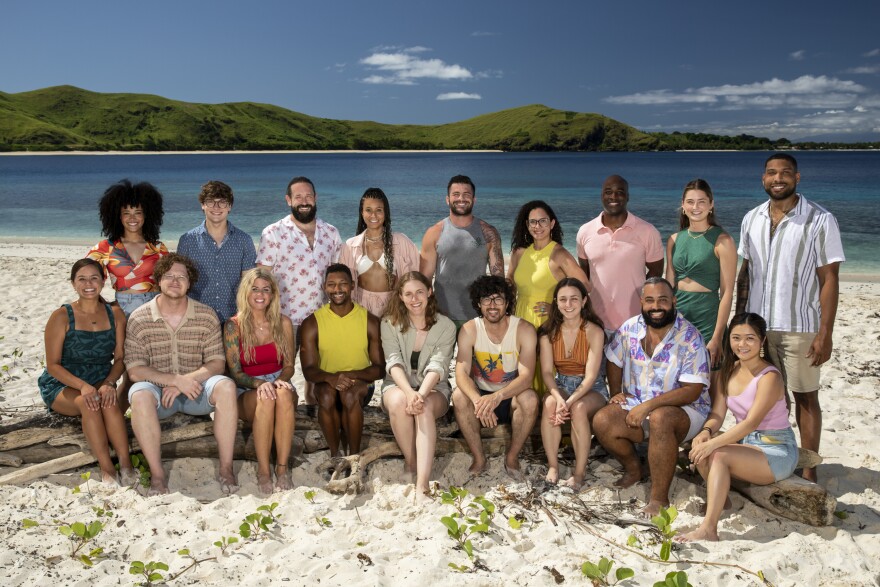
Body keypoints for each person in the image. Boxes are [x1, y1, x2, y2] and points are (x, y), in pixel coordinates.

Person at [736, 153, 844, 482]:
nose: (777, 178)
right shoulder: (751, 218)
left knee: (805, 397)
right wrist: (739, 322)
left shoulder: (820, 219)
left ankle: (809, 470)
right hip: (759, 329)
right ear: (763, 178)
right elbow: (746, 273)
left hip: (801, 326)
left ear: (798, 178)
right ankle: (770, 457)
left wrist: (825, 333)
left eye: (785, 173)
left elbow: (830, 279)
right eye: (771, 173)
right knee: (768, 398)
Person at [592, 277, 711, 516]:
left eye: (662, 300)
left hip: (686, 412)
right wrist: (616, 393)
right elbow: (613, 360)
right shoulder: (630, 328)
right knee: (602, 420)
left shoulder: (690, 337)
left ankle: (659, 498)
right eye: (650, 300)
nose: (656, 307)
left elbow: (692, 390)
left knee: (660, 418)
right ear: (641, 303)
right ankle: (635, 469)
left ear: (674, 302)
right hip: (638, 404)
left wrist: (648, 406)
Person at [677, 313, 798, 542]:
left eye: (750, 338)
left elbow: (751, 422)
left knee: (717, 454)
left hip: (776, 450)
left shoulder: (769, 376)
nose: (742, 345)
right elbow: (717, 414)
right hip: (747, 444)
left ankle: (708, 530)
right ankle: (722, 501)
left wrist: (713, 443)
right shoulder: (729, 370)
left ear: (762, 341)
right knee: (703, 446)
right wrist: (706, 432)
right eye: (736, 338)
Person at [125, 253, 239, 495]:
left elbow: (217, 363)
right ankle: (157, 476)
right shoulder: (140, 317)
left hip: (196, 391)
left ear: (190, 282)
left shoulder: (205, 315)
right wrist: (174, 380)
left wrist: (187, 381)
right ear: (158, 279)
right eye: (168, 276)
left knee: (226, 386)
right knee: (139, 395)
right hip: (158, 393)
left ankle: (226, 468)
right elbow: (135, 370)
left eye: (181, 276)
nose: (175, 281)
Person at [37, 259, 136, 484]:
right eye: (81, 279)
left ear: (103, 281)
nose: (88, 283)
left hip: (101, 379)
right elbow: (53, 365)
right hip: (63, 383)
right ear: (73, 283)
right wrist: (83, 386)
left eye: (94, 278)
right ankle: (107, 469)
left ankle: (126, 464)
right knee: (87, 402)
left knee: (108, 402)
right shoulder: (61, 316)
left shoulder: (116, 313)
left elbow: (120, 359)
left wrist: (109, 383)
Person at [257, 176, 341, 408]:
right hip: (284, 318)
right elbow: (262, 278)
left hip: (321, 318)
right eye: (298, 197)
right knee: (280, 373)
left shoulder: (331, 232)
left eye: (308, 196)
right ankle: (278, 416)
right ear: (288, 200)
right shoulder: (273, 233)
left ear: (315, 198)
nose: (304, 201)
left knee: (316, 373)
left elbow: (337, 278)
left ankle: (313, 417)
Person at [451, 275, 539, 478]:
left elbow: (526, 377)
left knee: (530, 398)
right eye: (486, 299)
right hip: (481, 394)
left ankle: (512, 457)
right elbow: (461, 372)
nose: (492, 305)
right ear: (478, 304)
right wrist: (479, 401)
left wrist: (498, 397)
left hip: (510, 395)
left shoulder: (524, 330)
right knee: (458, 396)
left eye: (498, 299)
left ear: (507, 303)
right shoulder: (469, 330)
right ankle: (479, 458)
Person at [380, 271, 456, 499]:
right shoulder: (389, 323)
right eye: (409, 294)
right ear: (401, 297)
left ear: (429, 293)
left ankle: (422, 483)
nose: (415, 299)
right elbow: (392, 361)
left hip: (434, 387)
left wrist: (420, 395)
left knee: (422, 410)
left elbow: (439, 365)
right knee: (400, 402)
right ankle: (411, 463)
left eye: (420, 292)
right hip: (398, 383)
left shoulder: (446, 326)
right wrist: (409, 392)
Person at [224, 268, 297, 494]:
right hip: (247, 387)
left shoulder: (283, 323)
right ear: (245, 292)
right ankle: (264, 471)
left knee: (283, 394)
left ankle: (282, 469)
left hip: (277, 381)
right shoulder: (233, 326)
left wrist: (279, 381)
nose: (260, 294)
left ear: (273, 294)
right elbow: (235, 372)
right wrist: (260, 384)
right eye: (254, 289)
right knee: (265, 399)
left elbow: (289, 366)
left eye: (266, 290)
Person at [300, 264, 385, 456]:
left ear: (352, 285)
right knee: (328, 396)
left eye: (343, 284)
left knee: (349, 395)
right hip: (326, 383)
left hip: (361, 385)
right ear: (324, 288)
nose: (337, 290)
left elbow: (379, 369)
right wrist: (332, 378)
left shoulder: (370, 321)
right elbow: (309, 370)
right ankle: (335, 454)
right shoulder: (312, 323)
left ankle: (353, 457)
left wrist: (348, 376)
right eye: (331, 285)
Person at [508, 200, 590, 393]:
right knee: (520, 373)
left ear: (552, 223)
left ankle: (549, 414)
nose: (538, 226)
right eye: (533, 222)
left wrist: (557, 307)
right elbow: (510, 280)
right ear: (527, 225)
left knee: (545, 372)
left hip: (546, 321)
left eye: (543, 221)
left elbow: (585, 286)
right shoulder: (519, 253)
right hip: (519, 318)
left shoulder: (559, 254)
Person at [537, 278, 606, 489]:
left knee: (579, 408)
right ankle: (553, 466)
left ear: (584, 301)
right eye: (563, 300)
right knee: (549, 404)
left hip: (591, 388)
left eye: (574, 299)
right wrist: (558, 398)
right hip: (561, 384)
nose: (568, 305)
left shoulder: (594, 331)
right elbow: (547, 373)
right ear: (556, 303)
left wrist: (569, 402)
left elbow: (591, 376)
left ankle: (579, 472)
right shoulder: (548, 332)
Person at [576, 175, 664, 333]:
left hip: (636, 323)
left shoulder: (648, 231)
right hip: (595, 324)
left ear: (628, 196)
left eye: (620, 192)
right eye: (608, 192)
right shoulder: (585, 231)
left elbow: (656, 273)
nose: (613, 197)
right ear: (602, 196)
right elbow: (584, 274)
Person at [665, 179, 736, 368]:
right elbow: (668, 288)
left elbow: (727, 292)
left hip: (708, 318)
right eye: (690, 202)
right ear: (682, 205)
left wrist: (718, 336)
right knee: (679, 382)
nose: (695, 207)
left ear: (711, 205)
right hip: (678, 318)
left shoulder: (723, 240)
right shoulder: (673, 240)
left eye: (701, 201)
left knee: (712, 381)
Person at [420, 175, 504, 330]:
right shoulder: (434, 233)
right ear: (447, 199)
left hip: (478, 317)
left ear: (474, 199)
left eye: (466, 194)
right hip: (441, 316)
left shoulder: (489, 233)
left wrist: (498, 315)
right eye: (456, 194)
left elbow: (498, 281)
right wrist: (424, 314)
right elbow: (424, 281)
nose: (461, 199)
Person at [177, 180, 257, 323]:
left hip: (234, 319)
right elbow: (181, 281)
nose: (216, 207)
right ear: (203, 205)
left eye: (222, 202)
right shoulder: (187, 240)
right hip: (197, 318)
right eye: (210, 202)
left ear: (229, 207)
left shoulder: (244, 240)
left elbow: (249, 283)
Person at [87, 179, 168, 317]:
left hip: (154, 309)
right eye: (126, 213)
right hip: (121, 309)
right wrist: (102, 305)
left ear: (146, 215)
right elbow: (86, 279)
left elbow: (169, 281)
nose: (132, 218)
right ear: (118, 216)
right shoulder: (105, 248)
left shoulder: (158, 248)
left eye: (138, 212)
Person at [339, 187, 419, 317]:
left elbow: (416, 277)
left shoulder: (402, 242)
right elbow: (343, 284)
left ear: (385, 213)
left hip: (393, 308)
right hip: (360, 309)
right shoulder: (350, 246)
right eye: (368, 210)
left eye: (379, 210)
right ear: (362, 212)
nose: (373, 215)